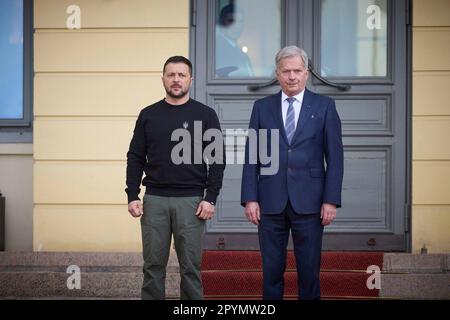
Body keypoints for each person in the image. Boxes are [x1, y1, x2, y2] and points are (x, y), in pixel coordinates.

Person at [241, 46, 343, 300]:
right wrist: (250, 197)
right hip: (270, 202)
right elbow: (252, 155)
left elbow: (336, 157)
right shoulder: (261, 107)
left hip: (310, 202)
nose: (292, 76)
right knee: (272, 271)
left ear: (306, 73)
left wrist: (331, 200)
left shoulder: (325, 106)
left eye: (297, 71)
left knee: (309, 273)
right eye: (286, 71)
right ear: (277, 74)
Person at [126, 56, 225, 300]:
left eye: (181, 75)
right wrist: (132, 194)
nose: (176, 79)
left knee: (191, 269)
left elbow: (218, 161)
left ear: (191, 79)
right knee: (152, 268)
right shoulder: (148, 114)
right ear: (163, 79)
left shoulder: (206, 114)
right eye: (171, 75)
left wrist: (210, 198)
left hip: (191, 203)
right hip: (154, 202)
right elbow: (135, 156)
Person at [215, 4, 254, 77]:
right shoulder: (217, 49)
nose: (237, 25)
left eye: (240, 21)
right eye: (231, 20)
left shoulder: (239, 51)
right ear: (221, 22)